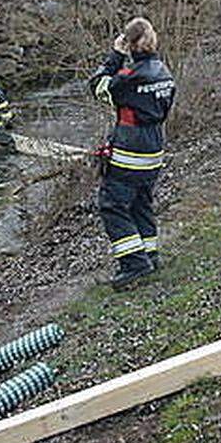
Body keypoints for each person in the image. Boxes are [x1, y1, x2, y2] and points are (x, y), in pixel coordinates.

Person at [88, 17, 176, 288]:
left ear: (130, 44)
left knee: (112, 205)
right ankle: (149, 254)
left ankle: (134, 263)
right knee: (141, 203)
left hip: (130, 151)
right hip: (154, 149)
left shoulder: (128, 78)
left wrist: (115, 55)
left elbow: (97, 86)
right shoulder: (164, 71)